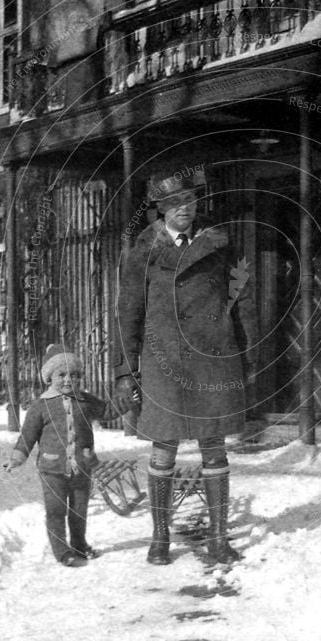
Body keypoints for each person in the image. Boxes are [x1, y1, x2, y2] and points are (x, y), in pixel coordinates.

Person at [113, 167, 257, 565]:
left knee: (215, 447)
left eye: (190, 200)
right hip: (164, 359)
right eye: (175, 203)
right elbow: (129, 313)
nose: (184, 208)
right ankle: (159, 538)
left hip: (214, 357)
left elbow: (241, 298)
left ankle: (217, 538)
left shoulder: (221, 243)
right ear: (160, 209)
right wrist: (126, 370)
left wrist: (246, 354)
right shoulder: (142, 252)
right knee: (164, 448)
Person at [5, 344, 104, 568]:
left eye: (75, 375)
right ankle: (62, 551)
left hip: (82, 466)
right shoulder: (41, 406)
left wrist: (127, 400)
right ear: (50, 377)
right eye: (62, 374)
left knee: (79, 510)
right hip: (52, 469)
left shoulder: (86, 401)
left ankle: (79, 544)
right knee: (56, 511)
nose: (69, 379)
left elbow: (107, 412)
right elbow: (28, 435)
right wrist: (17, 457)